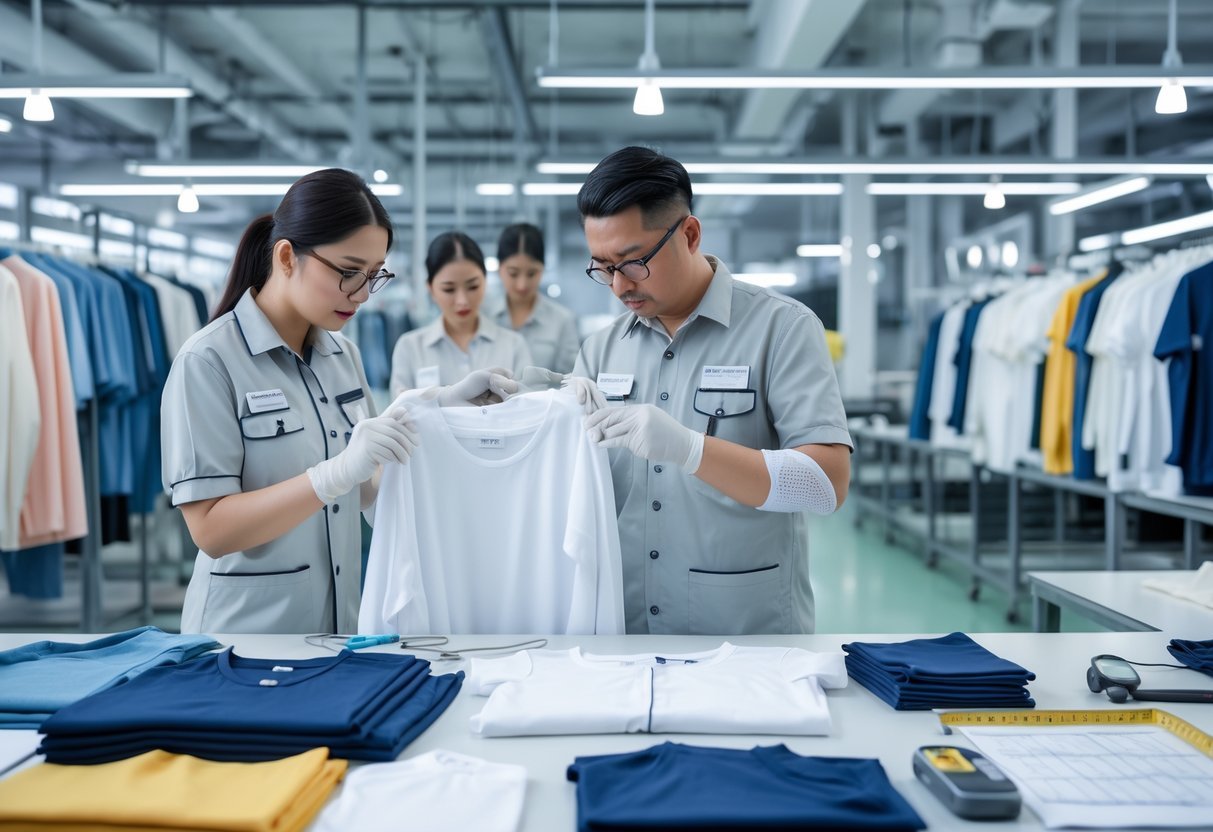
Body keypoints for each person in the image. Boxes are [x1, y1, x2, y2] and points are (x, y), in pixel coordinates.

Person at [161, 169, 511, 635]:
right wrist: (332, 475)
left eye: (373, 276)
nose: (363, 295)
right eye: (349, 273)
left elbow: (370, 491)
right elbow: (211, 530)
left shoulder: (342, 354)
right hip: (245, 639)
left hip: (339, 630)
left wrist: (437, 415)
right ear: (286, 257)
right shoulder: (208, 362)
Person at [570, 146, 853, 636]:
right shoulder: (600, 350)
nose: (618, 286)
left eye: (632, 262)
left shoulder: (781, 328)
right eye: (602, 267)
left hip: (746, 635)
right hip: (622, 632)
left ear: (691, 234)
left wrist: (691, 449)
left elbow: (826, 484)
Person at [390, 231, 531, 398]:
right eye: (449, 289)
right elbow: (400, 414)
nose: (462, 301)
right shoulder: (410, 348)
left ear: (484, 282)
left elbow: (527, 410)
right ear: (431, 289)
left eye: (472, 287)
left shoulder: (513, 345)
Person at [490, 222, 581, 374]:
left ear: (543, 269)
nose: (522, 285)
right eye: (513, 273)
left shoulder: (562, 320)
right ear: (499, 269)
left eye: (532, 273)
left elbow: (570, 379)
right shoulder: (482, 315)